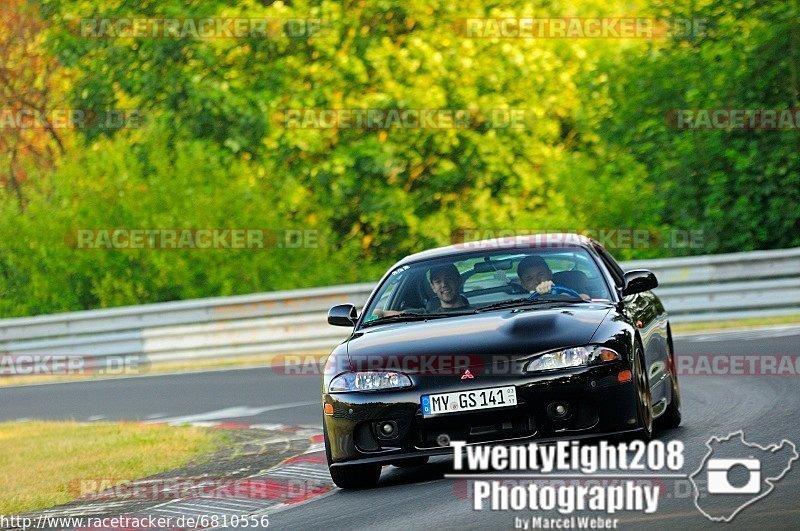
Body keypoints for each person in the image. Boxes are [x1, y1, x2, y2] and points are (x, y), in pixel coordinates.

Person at [517, 255, 590, 300]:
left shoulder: (564, 291)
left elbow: (586, 298)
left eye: (541, 274)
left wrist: (558, 295)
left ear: (550, 274)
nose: (537, 281)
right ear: (523, 285)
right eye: (529, 279)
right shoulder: (517, 301)